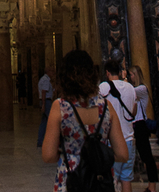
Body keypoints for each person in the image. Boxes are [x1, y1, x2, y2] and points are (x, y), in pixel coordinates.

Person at [42, 50, 127, 191]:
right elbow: (123, 154)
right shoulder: (106, 106)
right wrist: (97, 155)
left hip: (71, 180)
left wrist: (69, 154)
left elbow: (48, 155)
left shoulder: (60, 107)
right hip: (100, 183)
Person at [100, 58, 137, 192]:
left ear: (107, 72)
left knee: (111, 178)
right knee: (126, 177)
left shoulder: (104, 87)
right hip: (129, 137)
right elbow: (133, 111)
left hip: (113, 140)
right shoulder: (131, 88)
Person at [129, 65, 158, 192]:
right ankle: (150, 186)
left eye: (131, 75)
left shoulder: (142, 89)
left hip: (141, 124)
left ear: (136, 75)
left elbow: (129, 92)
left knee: (147, 156)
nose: (130, 77)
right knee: (143, 154)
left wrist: (122, 81)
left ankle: (152, 187)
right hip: (136, 124)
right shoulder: (136, 89)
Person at [37, 66, 55, 147]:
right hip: (46, 102)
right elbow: (44, 92)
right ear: (48, 71)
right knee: (52, 121)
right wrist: (44, 105)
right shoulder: (46, 80)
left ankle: (40, 140)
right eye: (52, 72)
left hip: (45, 101)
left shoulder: (44, 79)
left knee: (44, 122)